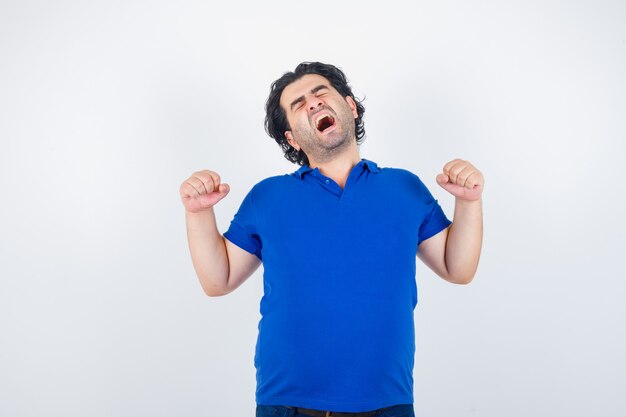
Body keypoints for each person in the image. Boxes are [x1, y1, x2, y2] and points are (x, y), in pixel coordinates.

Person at [179, 62, 484, 417]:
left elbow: (457, 268)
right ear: (291, 137)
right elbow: (218, 280)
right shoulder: (268, 197)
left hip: (387, 403)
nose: (312, 103)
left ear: (350, 107)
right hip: (287, 404)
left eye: (320, 92)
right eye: (298, 104)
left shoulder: (404, 188)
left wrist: (469, 201)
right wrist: (198, 212)